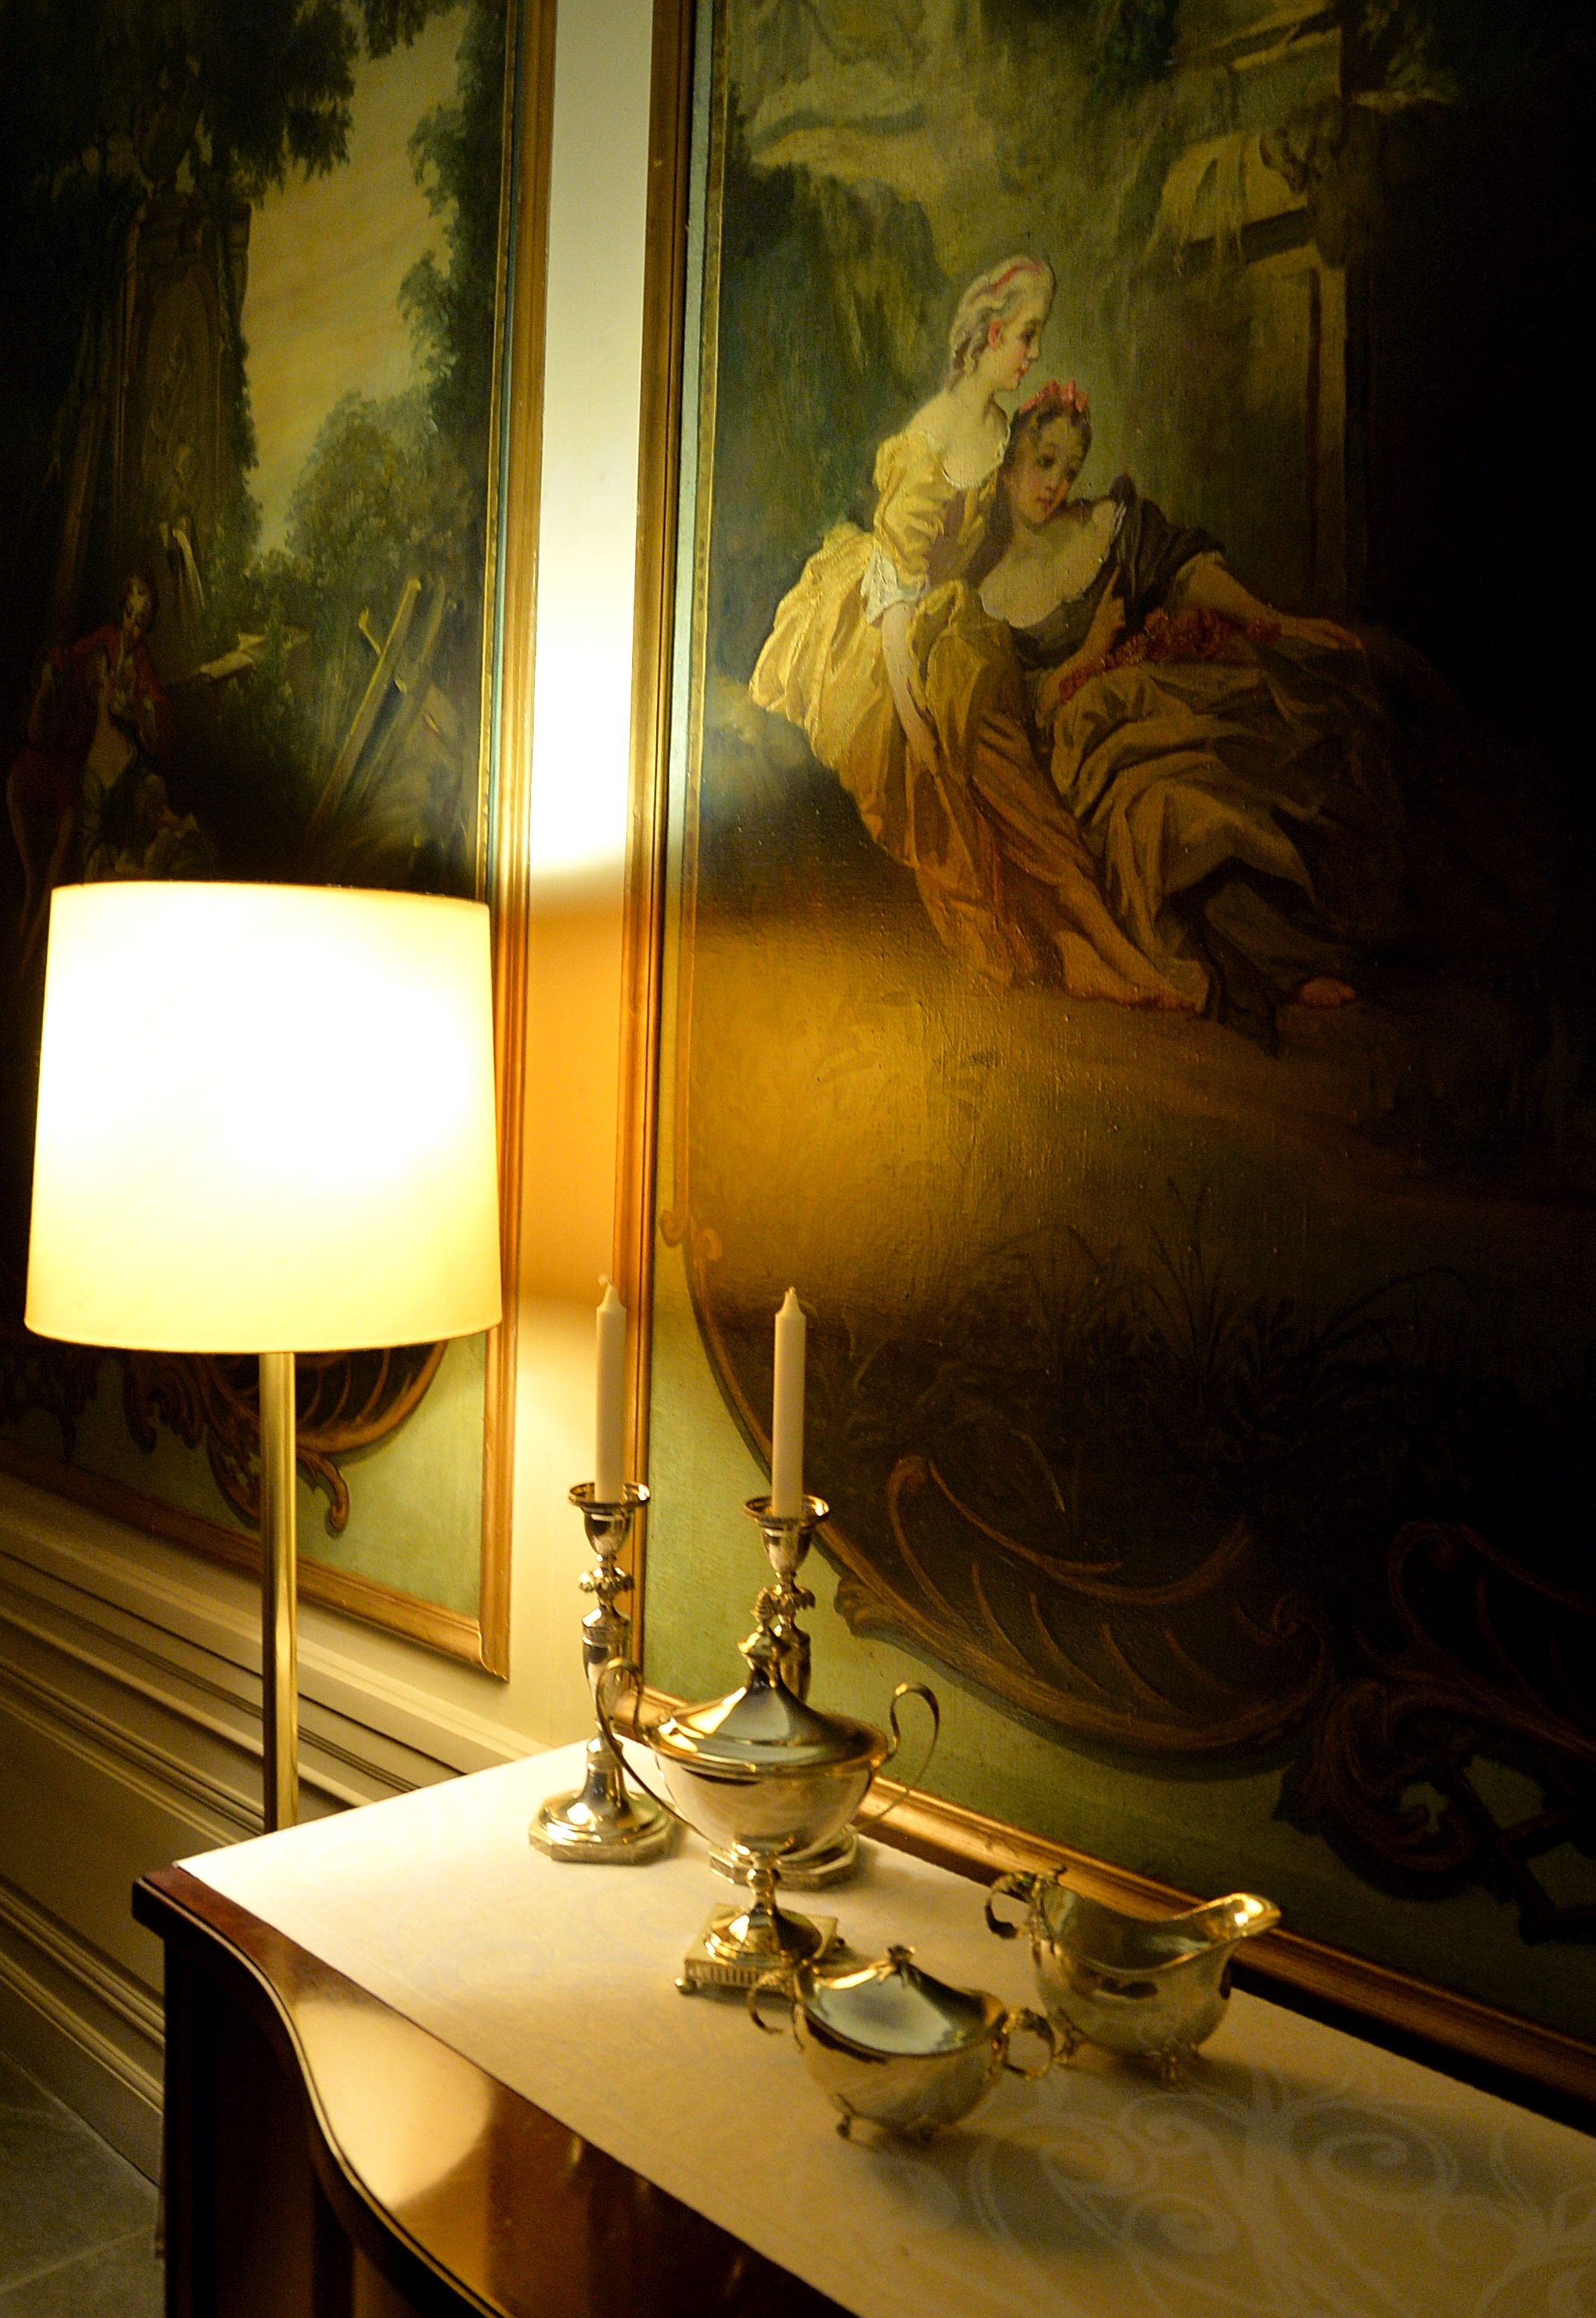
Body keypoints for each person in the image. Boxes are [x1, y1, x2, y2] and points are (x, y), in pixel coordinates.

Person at [749, 258, 1189, 1008]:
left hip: (957, 634)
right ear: (990, 335)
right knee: (981, 781)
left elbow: (1001, 542)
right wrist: (914, 719)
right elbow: (895, 597)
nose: (1033, 353)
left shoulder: (998, 428)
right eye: (1027, 335)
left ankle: (1115, 954)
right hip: (890, 641)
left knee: (1024, 793)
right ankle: (1087, 955)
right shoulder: (933, 435)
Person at [978, 384, 1406, 1039]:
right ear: (1008, 467)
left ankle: (1308, 942)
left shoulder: (1108, 528)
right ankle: (1281, 967)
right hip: (1088, 753)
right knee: (1167, 813)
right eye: (1044, 464)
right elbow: (1022, 708)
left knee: (1254, 756)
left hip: (1159, 700)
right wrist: (1089, 654)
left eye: (1070, 468)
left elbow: (1183, 572)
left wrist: (1275, 619)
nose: (1057, 484)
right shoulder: (992, 595)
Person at [8, 572, 184, 969]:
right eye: (129, 615)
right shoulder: (106, 640)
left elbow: (160, 714)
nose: (133, 627)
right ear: (122, 612)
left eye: (141, 621)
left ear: (149, 625)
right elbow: (67, 656)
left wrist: (140, 711)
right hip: (87, 760)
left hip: (116, 766)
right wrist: (54, 672)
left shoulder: (142, 665)